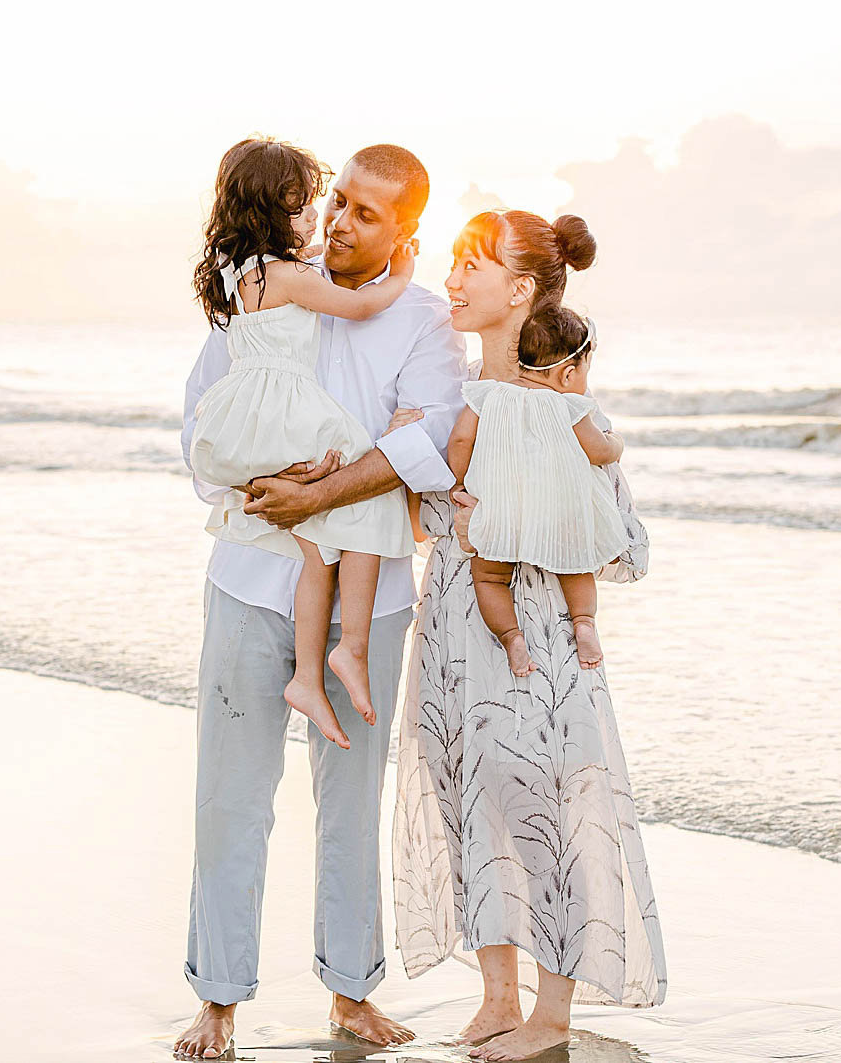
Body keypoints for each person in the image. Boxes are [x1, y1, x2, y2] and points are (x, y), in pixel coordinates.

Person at [174, 145, 467, 1059]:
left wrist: (325, 493)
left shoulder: (422, 319)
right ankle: (217, 1000)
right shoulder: (257, 288)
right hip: (247, 579)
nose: (341, 220)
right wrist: (271, 487)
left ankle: (351, 993)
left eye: (366, 213)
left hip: (366, 602)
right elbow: (199, 428)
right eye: (336, 199)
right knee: (230, 797)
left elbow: (425, 447)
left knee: (350, 798)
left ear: (404, 233)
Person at [392, 210, 667, 1062]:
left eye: (472, 264)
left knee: (546, 802)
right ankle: (497, 998)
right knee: (462, 791)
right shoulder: (450, 398)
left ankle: (553, 1012)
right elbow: (423, 520)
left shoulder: (567, 406)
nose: (453, 278)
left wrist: (524, 516)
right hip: (452, 616)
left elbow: (627, 542)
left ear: (518, 289)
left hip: (536, 628)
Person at [188, 137, 418, 749]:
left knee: (319, 546)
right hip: (285, 423)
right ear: (271, 216)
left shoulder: (243, 272)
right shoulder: (297, 278)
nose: (322, 220)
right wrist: (401, 275)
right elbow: (363, 307)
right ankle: (348, 649)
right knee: (367, 498)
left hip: (243, 422)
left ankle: (314, 674)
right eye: (310, 206)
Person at [449, 303, 625, 676]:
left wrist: (461, 481)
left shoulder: (488, 395)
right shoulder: (570, 406)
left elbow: (462, 439)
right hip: (559, 511)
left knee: (489, 577)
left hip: (499, 509)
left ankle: (512, 637)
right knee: (577, 566)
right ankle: (584, 624)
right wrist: (616, 443)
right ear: (568, 374)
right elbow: (598, 452)